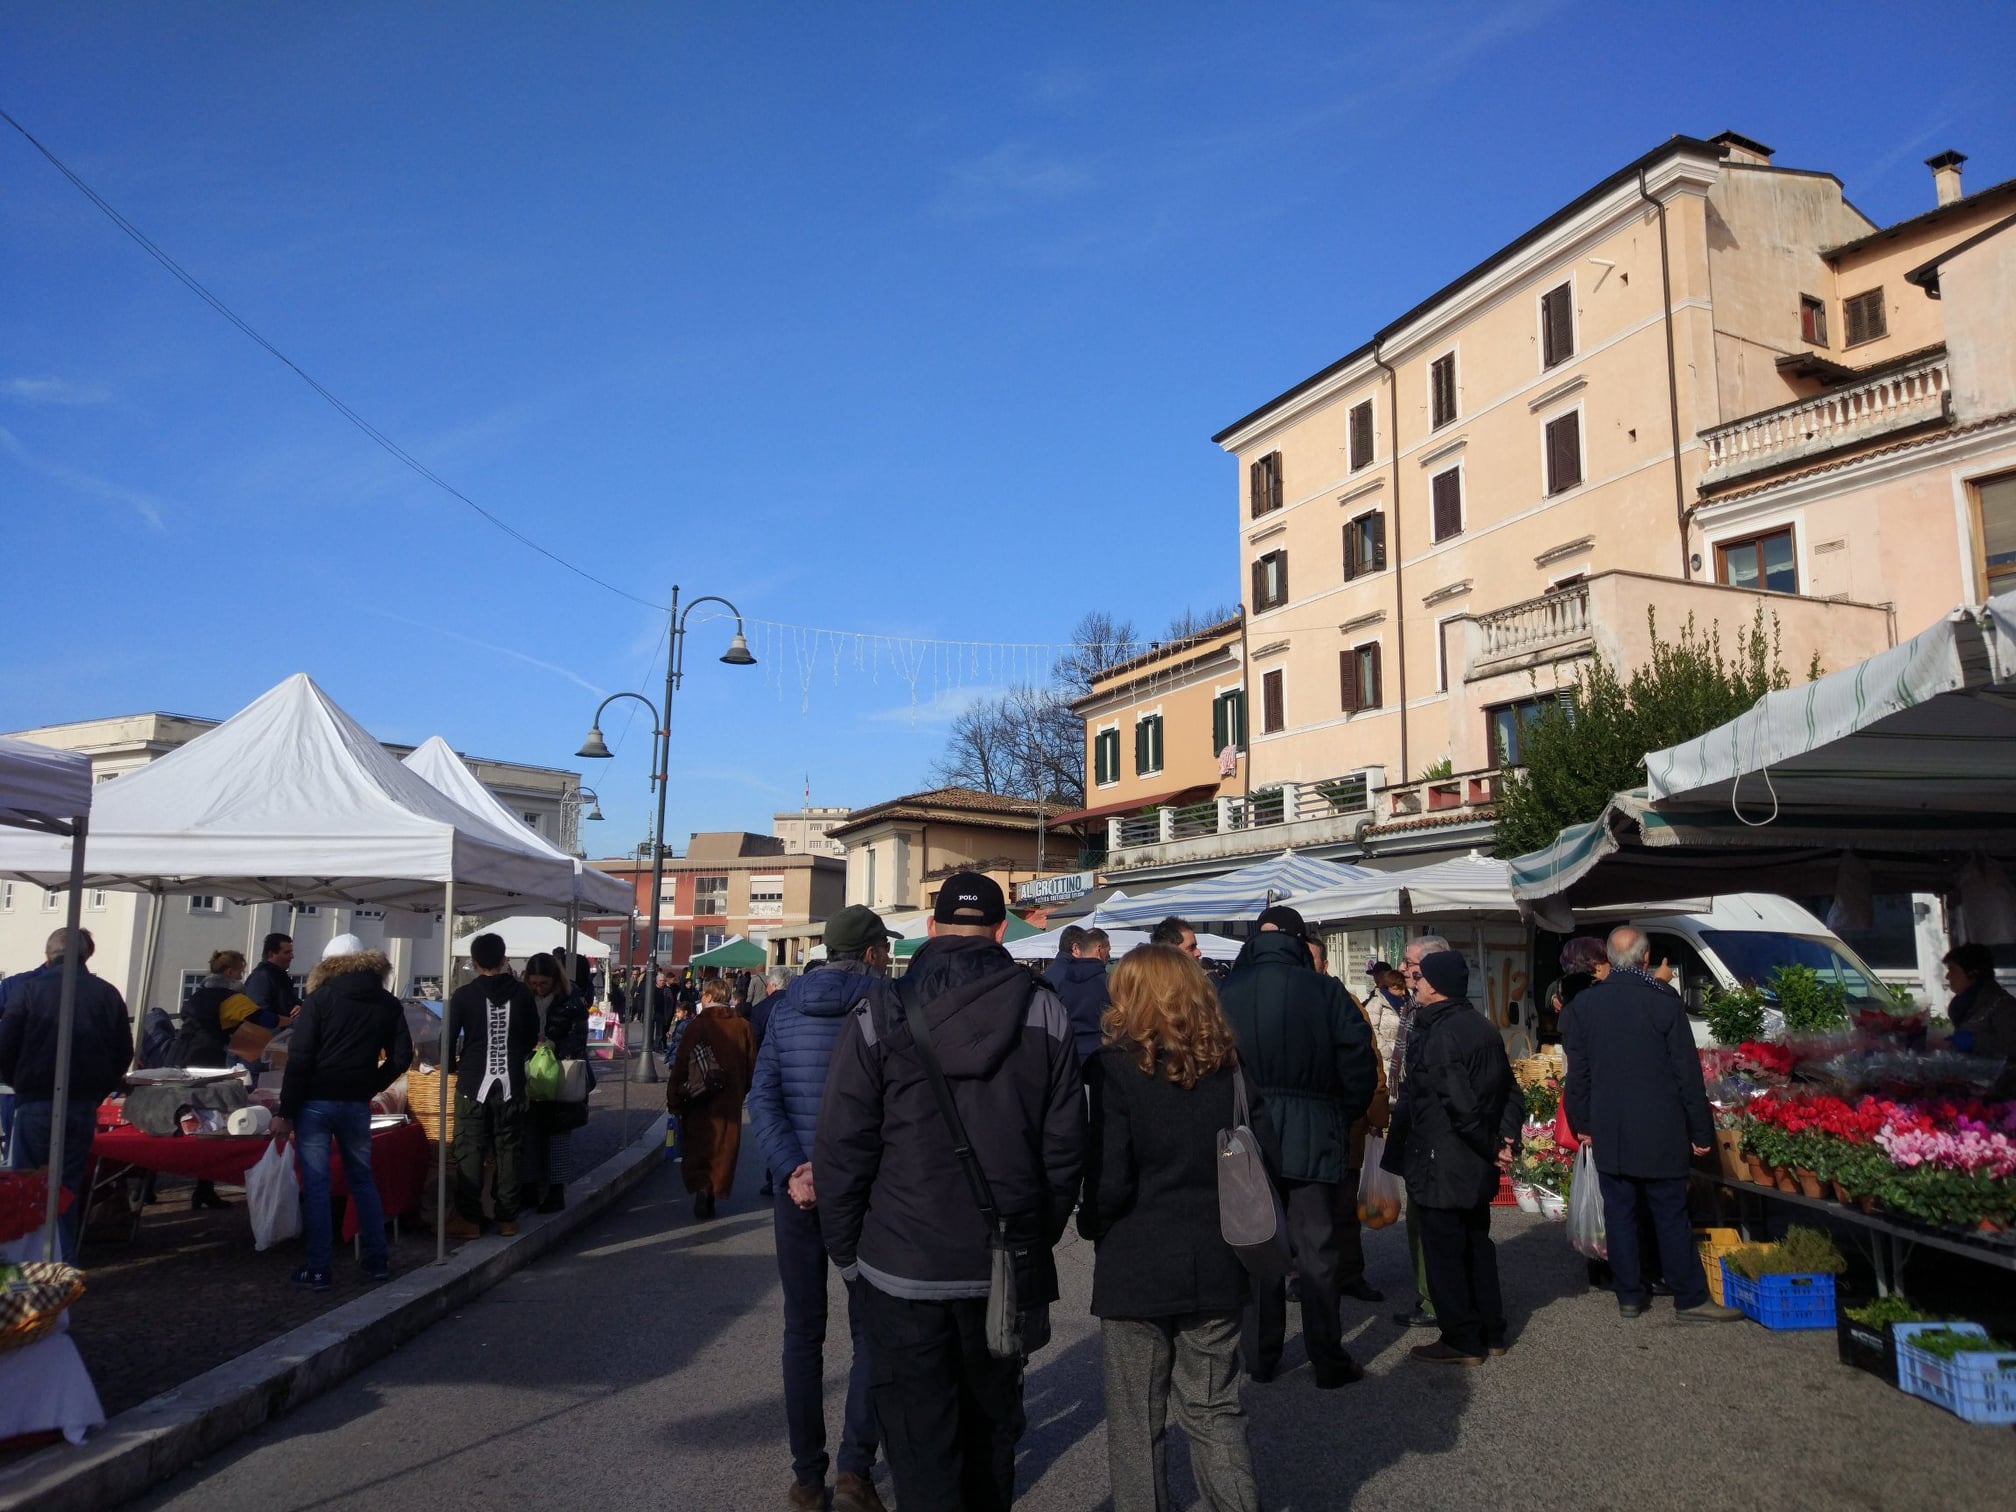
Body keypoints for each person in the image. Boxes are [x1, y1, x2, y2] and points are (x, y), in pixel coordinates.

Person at [815, 872, 1084, 1512]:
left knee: (919, 1451)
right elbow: (1066, 1147)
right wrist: (1027, 1235)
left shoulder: (879, 1011)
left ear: (931, 929)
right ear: (1000, 931)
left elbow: (842, 1147)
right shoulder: (1045, 1009)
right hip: (1001, 1263)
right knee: (992, 1438)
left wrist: (849, 1253)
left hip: (903, 1266)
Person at [1080, 944, 1270, 1512]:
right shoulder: (1229, 1066)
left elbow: (1110, 1177)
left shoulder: (1113, 1068)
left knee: (1137, 1418)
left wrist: (1092, 1222)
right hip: (1217, 1252)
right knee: (1213, 1408)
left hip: (1136, 1259)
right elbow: (1267, 1154)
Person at [748, 908, 897, 1512]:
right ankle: (855, 1470)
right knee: (871, 1330)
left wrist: (793, 1169)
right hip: (868, 1194)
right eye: (883, 948)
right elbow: (896, 1103)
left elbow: (765, 1097)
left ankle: (807, 1478)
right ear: (868, 954)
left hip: (800, 1195)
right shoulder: (888, 1005)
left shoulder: (784, 1009)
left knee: (802, 1331)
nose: (886, 957)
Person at [1216, 905, 1377, 1388]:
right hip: (1314, 1129)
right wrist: (1338, 1113)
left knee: (1258, 1242)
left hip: (1246, 1133)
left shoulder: (1225, 991)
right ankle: (1326, 1357)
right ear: (1299, 940)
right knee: (1317, 1249)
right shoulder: (1327, 990)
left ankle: (1261, 1356)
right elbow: (1359, 1065)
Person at [1563, 926, 1742, 1322]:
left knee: (1620, 1211)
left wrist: (1582, 1123)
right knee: (1669, 1212)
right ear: (1646, 959)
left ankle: (1629, 1294)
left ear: (1609, 958)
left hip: (1610, 1126)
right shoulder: (1664, 1001)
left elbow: (1579, 1076)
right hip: (1660, 1126)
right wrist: (1700, 1131)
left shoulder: (1585, 1006)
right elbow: (1687, 1074)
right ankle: (1689, 1297)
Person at [1381, 946, 1520, 1364]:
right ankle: (1490, 1330)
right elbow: (1511, 1090)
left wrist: (1494, 1144)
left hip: (1445, 1158)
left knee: (1445, 1251)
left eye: (1420, 978)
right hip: (1468, 1160)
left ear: (1436, 986)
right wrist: (1504, 1139)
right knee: (1476, 1243)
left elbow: (1460, 1104)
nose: (1413, 983)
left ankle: (1462, 1338)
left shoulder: (1440, 1033)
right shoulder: (1482, 1027)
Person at [272, 934, 412, 1288]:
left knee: (317, 1187)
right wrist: (371, 1084)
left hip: (315, 1102)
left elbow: (299, 1060)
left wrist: (285, 1110)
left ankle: (319, 1268)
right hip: (355, 1102)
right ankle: (376, 1260)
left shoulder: (319, 1000)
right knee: (362, 1181)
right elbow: (401, 1056)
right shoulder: (387, 1002)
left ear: (328, 965)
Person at [0, 928, 133, 1260]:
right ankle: (63, 1263)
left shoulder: (28, 990)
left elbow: (5, 1047)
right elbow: (122, 1051)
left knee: (28, 1188)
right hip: (82, 1102)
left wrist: (19, 1082)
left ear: (48, 955)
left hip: (36, 1098)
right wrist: (100, 1088)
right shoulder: (106, 993)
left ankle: (30, 1265)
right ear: (87, 956)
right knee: (66, 1188)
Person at [445, 933, 540, 1240]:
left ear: (474, 963)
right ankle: (507, 1218)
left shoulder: (463, 996)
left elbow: (447, 1041)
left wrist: (450, 1065)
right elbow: (530, 1037)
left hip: (472, 1082)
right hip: (511, 1081)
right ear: (504, 959)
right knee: (508, 1150)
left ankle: (471, 1220)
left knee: (469, 1150)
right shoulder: (523, 994)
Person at [1310, 936, 1388, 1307]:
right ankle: (1306, 1272)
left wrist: (1376, 1110)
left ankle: (1350, 1273)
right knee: (1307, 1207)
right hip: (1307, 1123)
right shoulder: (1294, 1003)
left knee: (1344, 1205)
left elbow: (1371, 1060)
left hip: (1346, 1118)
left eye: (1312, 959)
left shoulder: (1348, 1002)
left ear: (1325, 963)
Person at [174, 949, 264, 1208]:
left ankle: (195, 1186)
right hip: (210, 1060)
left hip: (182, 1056)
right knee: (212, 1123)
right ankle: (204, 1185)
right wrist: (288, 1019)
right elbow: (260, 1018)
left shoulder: (199, 993)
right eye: (240, 970)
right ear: (230, 972)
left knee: (187, 1119)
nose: (242, 975)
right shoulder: (231, 996)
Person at [1388, 938, 1445, 1331]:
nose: (1404, 969)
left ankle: (1434, 1297)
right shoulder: (1411, 1005)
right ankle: (1429, 1293)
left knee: (1430, 1214)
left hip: (1429, 1129)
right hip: (1409, 1118)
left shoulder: (1436, 1014)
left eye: (1411, 964)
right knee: (1417, 1212)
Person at [669, 978, 756, 1220]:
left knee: (699, 1143)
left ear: (708, 996)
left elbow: (681, 1064)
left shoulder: (698, 1025)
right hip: (730, 1098)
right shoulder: (743, 1026)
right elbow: (751, 1065)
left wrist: (674, 1097)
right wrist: (740, 1090)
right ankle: (714, 1190)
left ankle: (702, 1187)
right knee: (723, 1147)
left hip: (698, 1097)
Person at [523, 952, 588, 1215]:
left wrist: (553, 1045)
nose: (538, 989)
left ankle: (556, 1190)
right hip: (530, 1072)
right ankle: (529, 1186)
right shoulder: (523, 997)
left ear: (555, 980)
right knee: (529, 1131)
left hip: (561, 1071)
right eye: (534, 983)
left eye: (544, 984)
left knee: (558, 1134)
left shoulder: (572, 998)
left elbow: (579, 1038)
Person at [1945, 943, 2016, 1094]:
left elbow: (2011, 1045)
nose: (1947, 976)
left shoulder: (2002, 1005)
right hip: (1972, 1085)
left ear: (1972, 973)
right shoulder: (1963, 1004)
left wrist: (1972, 1041)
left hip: (2002, 1092)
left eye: (1953, 970)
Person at [1044, 926, 1112, 1066]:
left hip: (1067, 1056)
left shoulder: (1059, 980)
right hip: (1100, 1057)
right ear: (1099, 949)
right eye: (1108, 950)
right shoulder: (1109, 984)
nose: (1109, 956)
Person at [241, 932, 301, 1032]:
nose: (292, 956)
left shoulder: (280, 976)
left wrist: (300, 1006)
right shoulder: (261, 976)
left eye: (291, 952)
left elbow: (290, 1002)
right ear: (271, 954)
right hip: (270, 1039)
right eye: (286, 952)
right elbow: (258, 1013)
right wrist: (288, 1023)